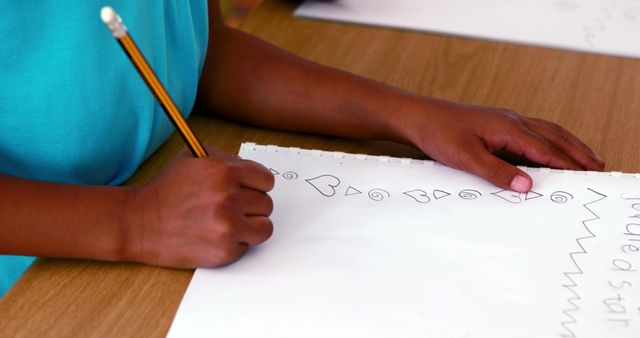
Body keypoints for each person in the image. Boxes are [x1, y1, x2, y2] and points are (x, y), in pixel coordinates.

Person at [0, 0, 604, 297]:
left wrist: (407, 114)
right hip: (44, 274)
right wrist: (135, 222)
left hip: (159, 211)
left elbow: (200, 51)